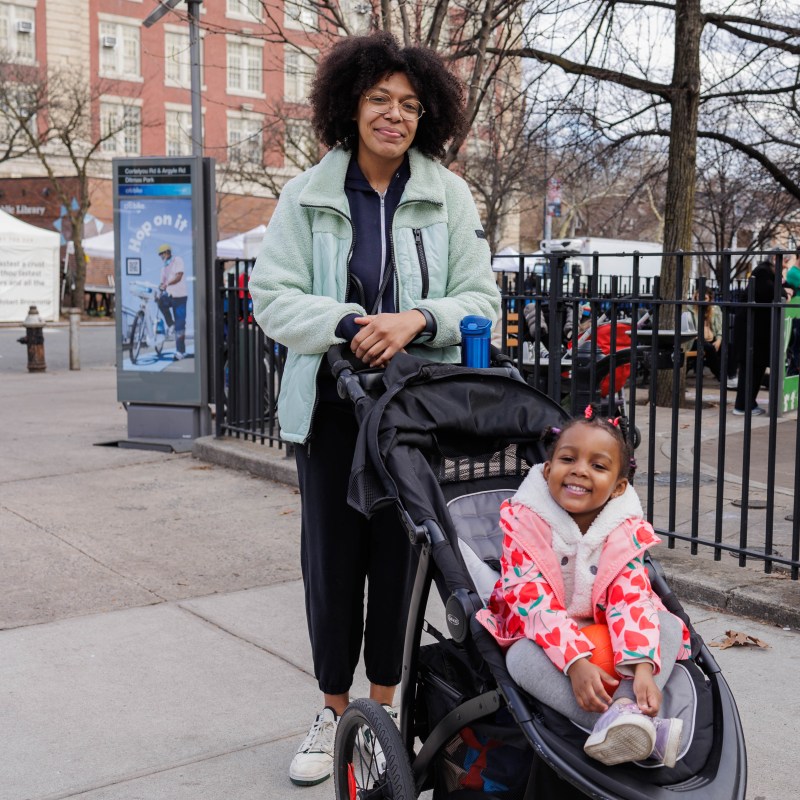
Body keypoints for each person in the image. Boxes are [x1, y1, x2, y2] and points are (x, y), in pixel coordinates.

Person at [247, 33, 501, 786]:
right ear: (351, 106)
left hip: (413, 408)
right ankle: (332, 710)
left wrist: (417, 319)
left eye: (410, 105)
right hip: (331, 405)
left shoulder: (448, 194)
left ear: (427, 115)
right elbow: (273, 297)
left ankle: (381, 709)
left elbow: (480, 297)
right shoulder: (308, 195)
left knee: (402, 560)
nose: (395, 115)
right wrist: (352, 322)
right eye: (381, 100)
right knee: (332, 562)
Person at [476, 410, 692, 767]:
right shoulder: (525, 523)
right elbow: (533, 602)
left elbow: (631, 597)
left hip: (605, 624)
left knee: (666, 625)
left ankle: (626, 711)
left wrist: (641, 669)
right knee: (518, 659)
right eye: (568, 458)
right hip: (543, 631)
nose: (579, 470)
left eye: (598, 466)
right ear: (547, 471)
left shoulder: (621, 530)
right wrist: (574, 661)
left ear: (619, 487)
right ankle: (630, 729)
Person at [733, 260, 777, 416]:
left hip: (755, 332)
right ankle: (744, 405)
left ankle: (747, 403)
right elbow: (770, 291)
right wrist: (784, 291)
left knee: (754, 368)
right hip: (752, 333)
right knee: (750, 368)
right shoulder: (763, 273)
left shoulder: (764, 274)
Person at [156, 244, 188, 359]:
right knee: (159, 301)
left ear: (167, 252)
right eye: (160, 255)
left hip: (180, 297)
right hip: (169, 296)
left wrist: (167, 284)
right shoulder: (163, 268)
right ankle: (170, 324)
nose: (161, 257)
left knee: (180, 326)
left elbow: (179, 276)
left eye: (162, 254)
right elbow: (162, 283)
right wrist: (159, 290)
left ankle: (180, 352)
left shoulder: (177, 260)